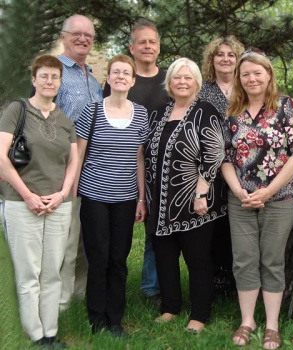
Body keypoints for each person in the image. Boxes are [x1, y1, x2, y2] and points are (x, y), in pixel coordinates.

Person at [222, 50, 293, 349]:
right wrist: (237, 191)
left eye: (257, 72)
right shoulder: (232, 111)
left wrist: (269, 191)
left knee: (272, 260)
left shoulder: (285, 106)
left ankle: (272, 325)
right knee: (244, 259)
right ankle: (248, 320)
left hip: (280, 198)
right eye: (245, 74)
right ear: (239, 78)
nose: (251, 78)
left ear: (269, 74)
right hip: (241, 199)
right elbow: (225, 157)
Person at [0, 55, 78, 348]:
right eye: (44, 76)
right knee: (28, 273)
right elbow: (1, 158)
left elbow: (73, 161)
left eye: (55, 77)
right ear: (34, 79)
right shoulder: (16, 110)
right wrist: (28, 195)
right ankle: (35, 335)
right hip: (22, 204)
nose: (49, 82)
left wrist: (62, 194)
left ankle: (50, 332)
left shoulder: (65, 119)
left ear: (60, 82)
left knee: (52, 272)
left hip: (58, 205)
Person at [147, 58, 226, 334]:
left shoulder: (206, 111)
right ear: (169, 82)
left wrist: (201, 192)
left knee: (198, 259)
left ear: (197, 83)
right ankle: (170, 307)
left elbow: (215, 153)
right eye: (176, 77)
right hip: (160, 202)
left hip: (195, 201)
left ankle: (200, 314)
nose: (181, 82)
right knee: (164, 257)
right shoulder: (158, 113)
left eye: (187, 78)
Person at [75, 54, 148, 336]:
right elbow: (79, 155)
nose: (119, 76)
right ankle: (97, 319)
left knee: (118, 259)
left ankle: (115, 319)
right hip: (94, 196)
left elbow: (140, 159)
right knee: (99, 257)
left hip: (126, 198)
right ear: (108, 78)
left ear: (132, 79)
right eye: (115, 71)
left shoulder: (140, 113)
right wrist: (72, 191)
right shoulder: (92, 110)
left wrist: (141, 198)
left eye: (125, 72)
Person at [103, 19, 170, 302]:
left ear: (158, 47)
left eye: (152, 42)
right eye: (141, 42)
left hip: (166, 166)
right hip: (128, 165)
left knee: (158, 228)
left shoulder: (170, 78)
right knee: (120, 231)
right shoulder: (121, 81)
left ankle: (152, 287)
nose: (147, 46)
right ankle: (108, 283)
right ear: (131, 47)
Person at [56, 14, 102, 310]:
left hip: (93, 169)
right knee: (65, 236)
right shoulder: (54, 71)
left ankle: (80, 294)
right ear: (64, 37)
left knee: (88, 235)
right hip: (62, 166)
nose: (83, 39)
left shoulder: (94, 80)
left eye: (88, 35)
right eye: (77, 34)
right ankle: (58, 302)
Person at [198, 35, 244, 297]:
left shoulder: (246, 88)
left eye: (231, 55)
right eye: (220, 54)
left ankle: (237, 280)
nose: (225, 59)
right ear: (211, 60)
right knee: (213, 226)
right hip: (210, 168)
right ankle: (216, 279)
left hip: (242, 167)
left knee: (236, 226)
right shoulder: (202, 90)